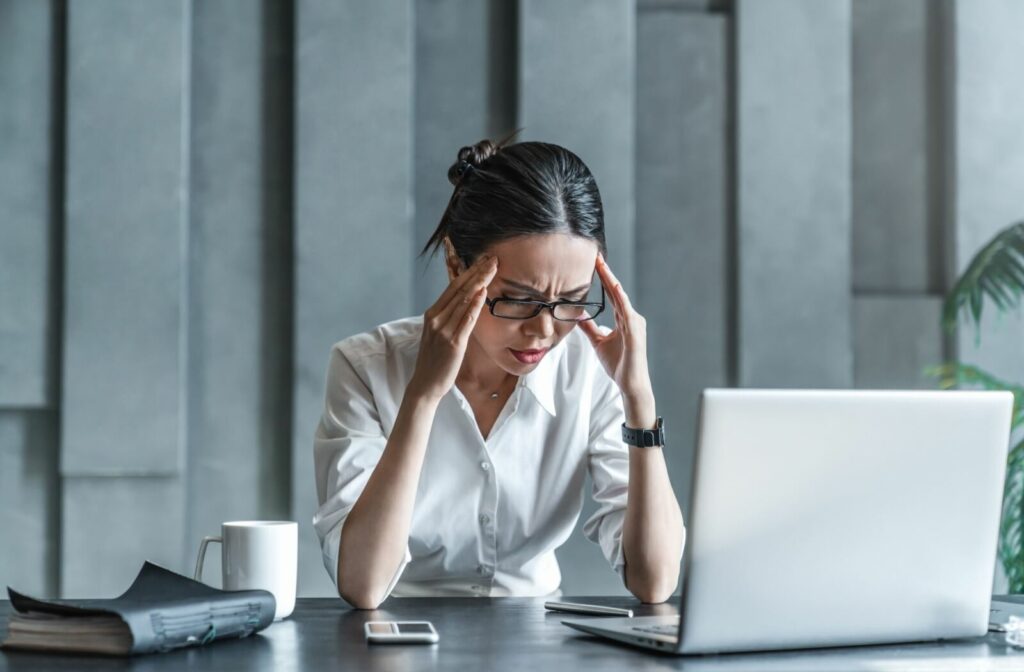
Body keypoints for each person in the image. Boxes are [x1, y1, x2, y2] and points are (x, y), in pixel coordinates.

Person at [312, 137, 685, 609]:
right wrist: (423, 396)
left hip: (541, 642)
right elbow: (362, 586)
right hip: (400, 635)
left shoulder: (592, 374)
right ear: (456, 265)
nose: (544, 329)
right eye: (519, 299)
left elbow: (655, 581)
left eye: (571, 300)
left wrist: (639, 399)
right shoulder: (365, 368)